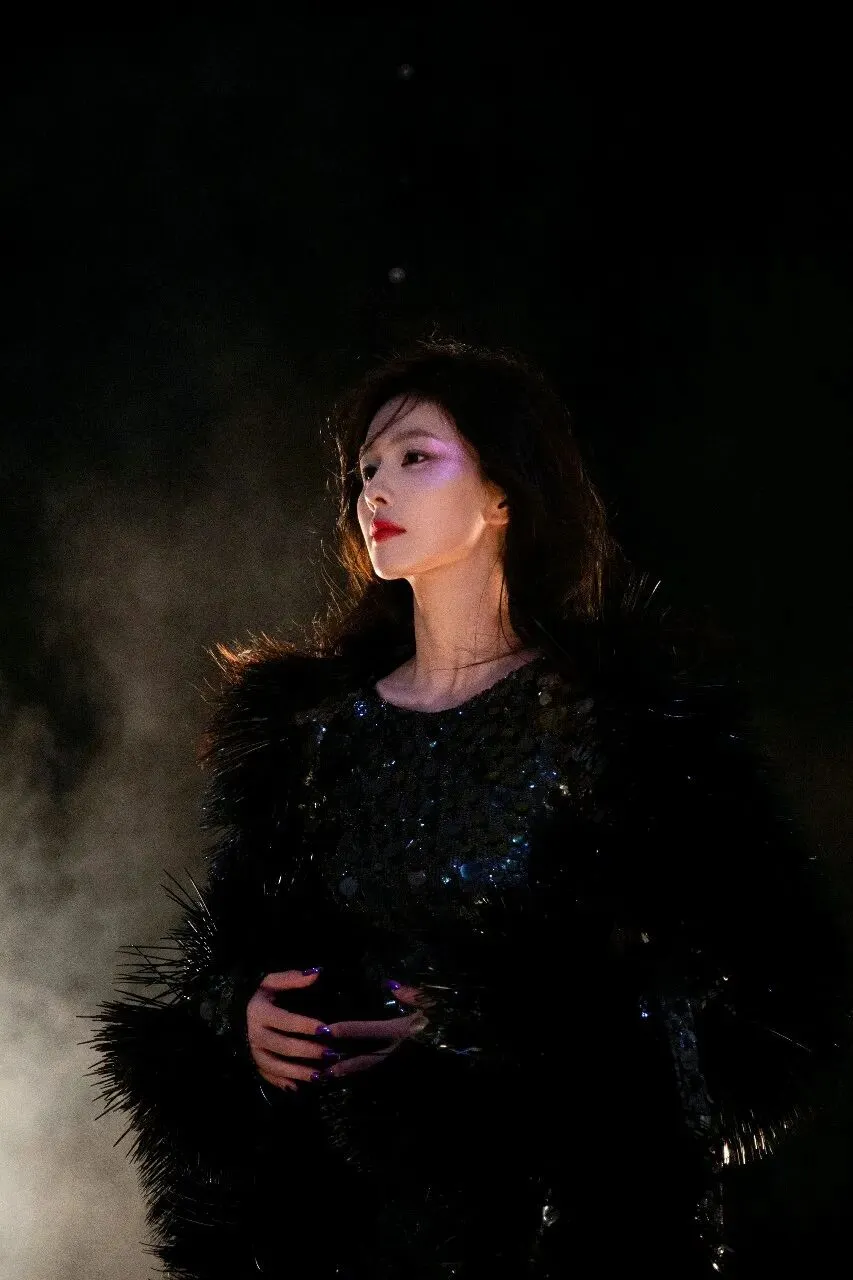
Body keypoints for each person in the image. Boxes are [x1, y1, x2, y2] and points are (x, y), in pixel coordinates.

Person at [86, 339, 852, 1278]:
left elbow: (765, 991)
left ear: (503, 493)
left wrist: (499, 1026)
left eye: (415, 456)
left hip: (546, 1231)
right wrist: (240, 1013)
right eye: (366, 468)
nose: (375, 488)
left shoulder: (621, 723)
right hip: (336, 1232)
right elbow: (227, 947)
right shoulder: (312, 735)